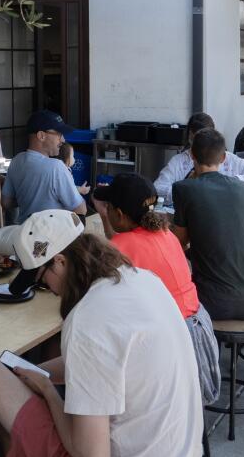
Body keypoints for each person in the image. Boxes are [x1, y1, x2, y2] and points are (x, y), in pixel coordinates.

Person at [0, 211, 202, 457]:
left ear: (61, 262)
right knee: (8, 389)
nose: (49, 291)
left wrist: (48, 391)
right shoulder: (141, 278)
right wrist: (33, 374)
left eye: (42, 281)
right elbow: (101, 364)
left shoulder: (88, 317)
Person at [93, 173, 222, 406]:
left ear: (119, 214)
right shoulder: (166, 234)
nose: (107, 211)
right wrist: (105, 216)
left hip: (170, 347)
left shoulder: (120, 248)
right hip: (199, 331)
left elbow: (95, 296)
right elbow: (128, 243)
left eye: (109, 207)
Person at [170, 128, 244, 322]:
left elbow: (178, 242)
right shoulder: (242, 188)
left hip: (212, 302)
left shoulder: (184, 188)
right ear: (223, 158)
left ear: (192, 156)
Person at [3, 110, 87, 225]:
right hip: (53, 238)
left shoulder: (16, 161)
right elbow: (80, 209)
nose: (63, 140)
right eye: (59, 134)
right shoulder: (56, 167)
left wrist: (30, 198)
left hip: (25, 235)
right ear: (41, 136)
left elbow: (6, 202)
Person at [154, 112, 244, 204]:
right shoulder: (180, 161)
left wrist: (229, 183)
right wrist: (185, 190)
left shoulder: (230, 160)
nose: (200, 148)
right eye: (195, 141)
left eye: (204, 141)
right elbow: (158, 188)